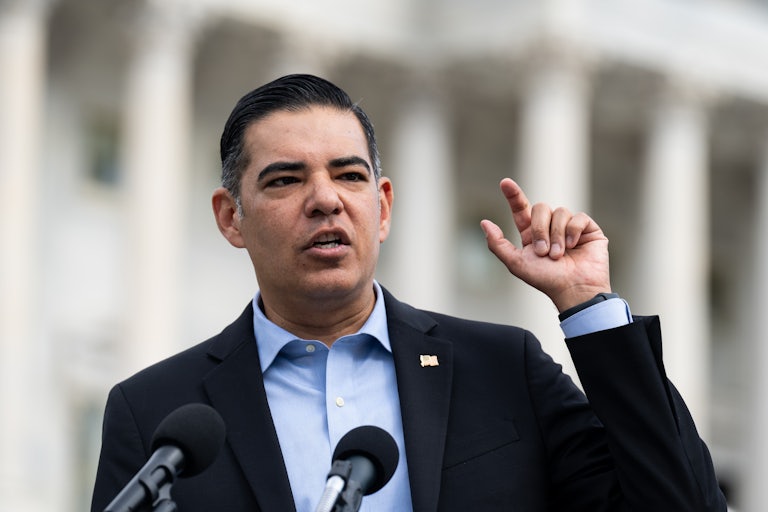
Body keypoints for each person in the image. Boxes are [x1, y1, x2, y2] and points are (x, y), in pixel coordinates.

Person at [91, 74, 727, 511]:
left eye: (349, 174)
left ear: (383, 206)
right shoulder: (156, 417)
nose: (325, 199)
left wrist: (590, 308)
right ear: (232, 217)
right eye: (286, 180)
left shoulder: (503, 370)